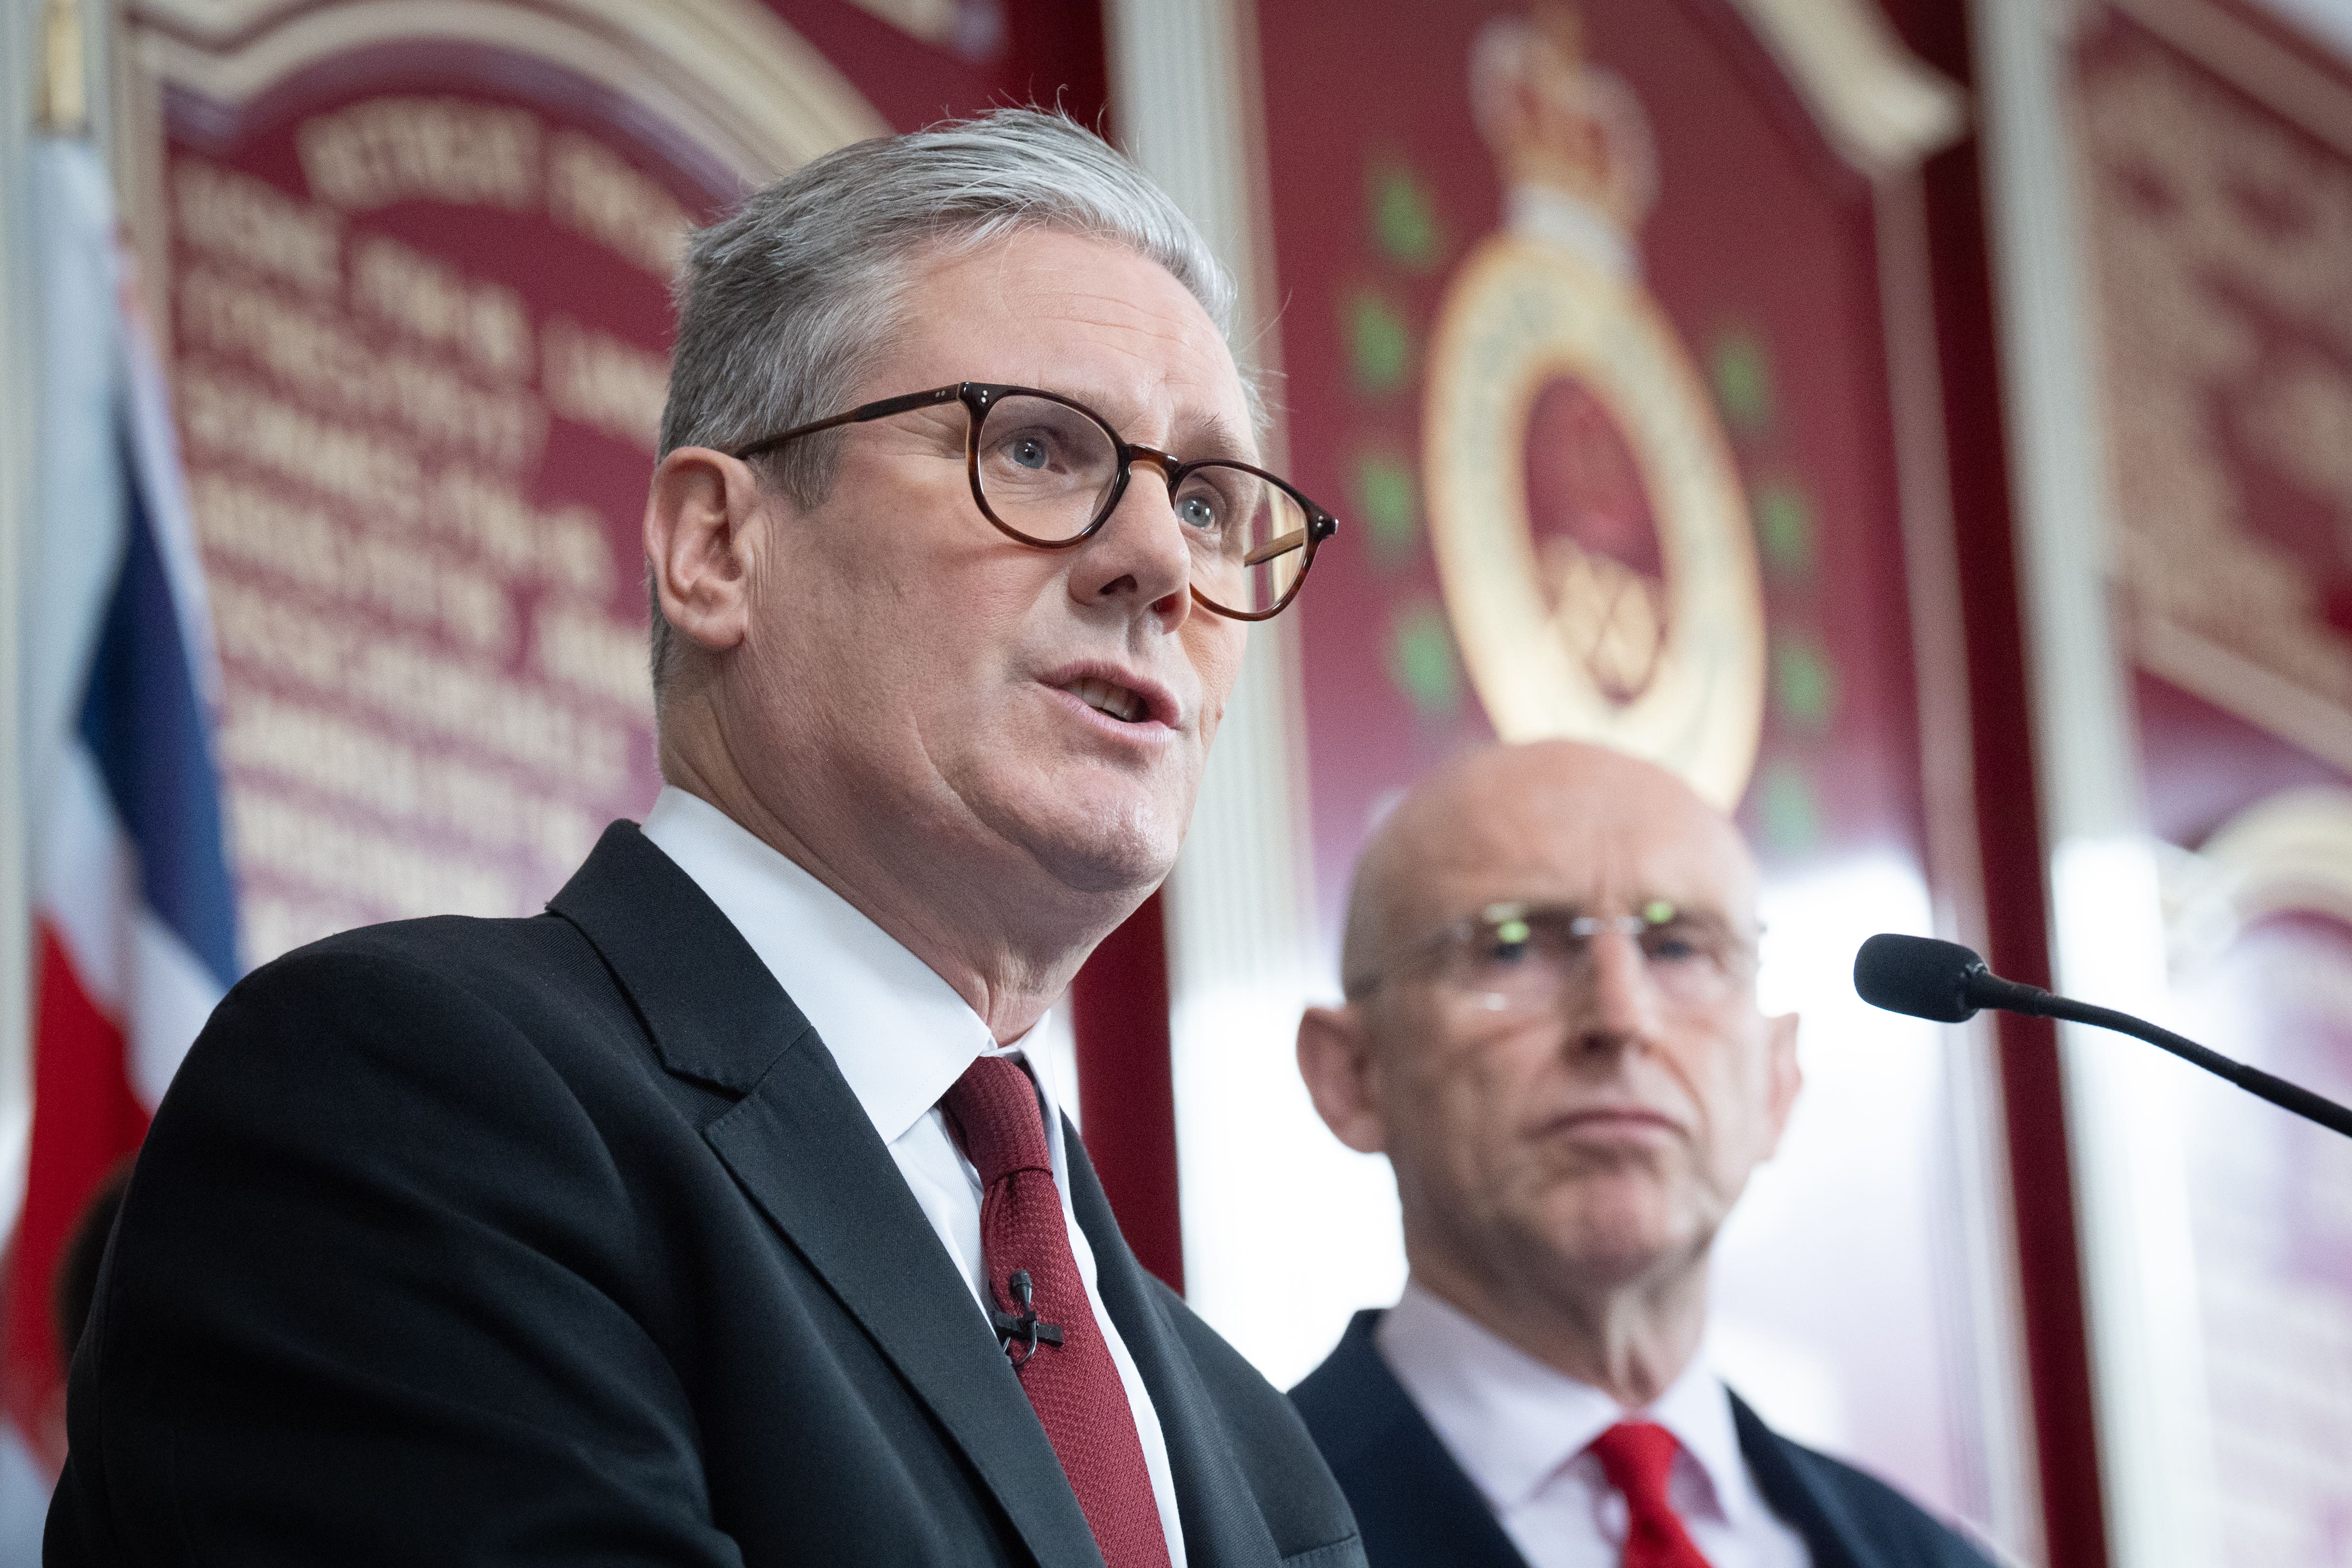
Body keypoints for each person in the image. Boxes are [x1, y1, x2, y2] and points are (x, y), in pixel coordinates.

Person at [49, 110, 1355, 1568]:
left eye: (1205, 498)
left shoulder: (1246, 1442)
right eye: (1038, 448)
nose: (1161, 563)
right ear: (715, 548)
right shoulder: (406, 1108)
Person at [1289, 741, 1992, 1568]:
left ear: (1775, 1080)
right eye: (1511, 946)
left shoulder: (1935, 1557)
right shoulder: (1210, 1532)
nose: (1621, 1020)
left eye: (1680, 949)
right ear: (1354, 1074)